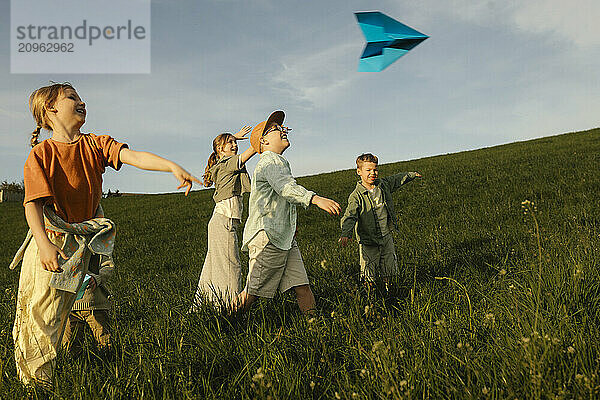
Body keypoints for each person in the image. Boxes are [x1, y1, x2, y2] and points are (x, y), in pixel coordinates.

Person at [9, 82, 201, 385]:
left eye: (80, 97)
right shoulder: (41, 154)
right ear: (51, 109)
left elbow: (134, 156)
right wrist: (44, 245)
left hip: (80, 245)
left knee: (59, 312)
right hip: (50, 241)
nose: (81, 101)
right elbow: (32, 206)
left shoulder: (96, 144)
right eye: (72, 98)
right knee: (40, 313)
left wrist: (171, 167)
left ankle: (52, 371)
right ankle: (34, 384)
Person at [236, 111, 341, 314]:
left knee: (301, 285)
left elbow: (280, 199)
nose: (283, 130)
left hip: (282, 237)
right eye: (276, 129)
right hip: (268, 238)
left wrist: (290, 225)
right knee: (252, 292)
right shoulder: (269, 161)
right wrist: (315, 199)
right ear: (263, 141)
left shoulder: (277, 162)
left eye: (282, 127)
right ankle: (223, 324)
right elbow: (286, 188)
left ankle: (314, 327)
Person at [190, 126, 257, 310]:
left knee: (214, 269)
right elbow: (249, 154)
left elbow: (227, 151)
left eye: (235, 142)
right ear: (220, 149)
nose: (235, 145)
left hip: (222, 222)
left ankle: (207, 308)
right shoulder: (226, 164)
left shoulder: (223, 162)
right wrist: (260, 139)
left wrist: (232, 137)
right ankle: (230, 310)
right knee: (231, 267)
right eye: (231, 143)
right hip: (224, 222)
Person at [339, 153, 421, 284]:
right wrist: (346, 233)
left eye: (375, 169)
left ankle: (389, 292)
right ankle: (370, 297)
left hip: (386, 235)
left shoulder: (383, 185)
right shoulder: (356, 196)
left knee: (389, 269)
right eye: (368, 170)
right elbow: (350, 215)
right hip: (369, 240)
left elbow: (397, 179)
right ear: (359, 172)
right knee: (369, 272)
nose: (373, 173)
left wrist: (411, 175)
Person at [61, 254, 114, 355]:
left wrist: (97, 278)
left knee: (104, 340)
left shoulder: (96, 244)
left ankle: (108, 362)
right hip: (70, 307)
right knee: (69, 344)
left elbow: (108, 265)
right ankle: (75, 367)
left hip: (95, 304)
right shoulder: (64, 244)